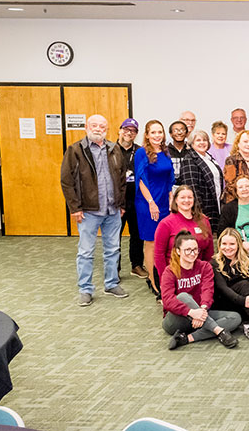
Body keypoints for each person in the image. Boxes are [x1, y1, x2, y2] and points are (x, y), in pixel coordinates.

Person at [60, 113, 128, 306]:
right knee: (86, 252)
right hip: (88, 211)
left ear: (107, 129)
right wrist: (75, 207)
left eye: (102, 126)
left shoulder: (114, 149)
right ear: (86, 128)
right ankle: (86, 289)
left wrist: (121, 204)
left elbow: (122, 180)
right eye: (94, 125)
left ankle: (112, 283)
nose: (98, 129)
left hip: (112, 210)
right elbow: (66, 182)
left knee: (113, 249)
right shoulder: (75, 150)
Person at [162, 230, 239, 350]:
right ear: (178, 251)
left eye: (195, 249)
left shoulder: (204, 266)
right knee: (183, 296)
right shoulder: (170, 271)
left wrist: (202, 311)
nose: (192, 253)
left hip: (201, 315)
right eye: (188, 250)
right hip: (176, 320)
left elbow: (207, 291)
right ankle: (219, 331)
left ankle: (186, 339)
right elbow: (167, 300)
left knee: (235, 318)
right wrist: (191, 313)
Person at [134, 119, 176, 299]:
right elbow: (140, 180)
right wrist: (151, 202)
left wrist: (171, 201)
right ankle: (153, 281)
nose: (157, 135)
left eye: (160, 132)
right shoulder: (141, 153)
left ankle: (163, 277)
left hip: (164, 202)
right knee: (151, 242)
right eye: (153, 132)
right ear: (147, 135)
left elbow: (168, 180)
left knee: (165, 242)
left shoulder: (165, 152)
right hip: (147, 202)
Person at [153, 185, 214, 290]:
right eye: (183, 197)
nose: (187, 200)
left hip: (198, 276)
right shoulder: (166, 224)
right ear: (176, 200)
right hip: (176, 276)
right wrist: (165, 280)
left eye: (190, 197)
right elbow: (159, 255)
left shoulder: (204, 221)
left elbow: (209, 251)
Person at [178, 129, 224, 233]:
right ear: (191, 143)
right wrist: (198, 211)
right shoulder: (189, 159)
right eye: (198, 140)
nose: (202, 143)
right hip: (202, 209)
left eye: (204, 140)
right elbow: (192, 188)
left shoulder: (208, 158)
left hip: (214, 205)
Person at [116, 118, 146, 278]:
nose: (129, 133)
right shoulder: (110, 150)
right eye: (126, 129)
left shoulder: (140, 151)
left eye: (133, 131)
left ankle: (136, 265)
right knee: (114, 236)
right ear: (120, 130)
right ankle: (115, 268)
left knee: (137, 234)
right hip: (116, 202)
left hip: (136, 200)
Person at [223, 130, 249, 203]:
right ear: (238, 144)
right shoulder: (231, 160)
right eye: (245, 142)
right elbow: (230, 184)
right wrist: (245, 197)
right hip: (236, 201)